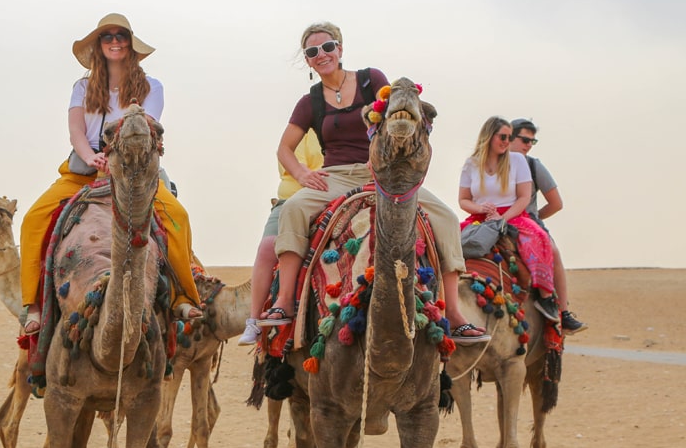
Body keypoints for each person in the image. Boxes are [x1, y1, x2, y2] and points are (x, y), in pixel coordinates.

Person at [256, 22, 487, 343]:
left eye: (327, 47)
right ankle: (284, 304)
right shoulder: (310, 103)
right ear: (308, 61)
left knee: (446, 217)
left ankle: (454, 312)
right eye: (312, 52)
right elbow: (284, 148)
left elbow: (394, 117)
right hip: (335, 176)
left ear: (340, 48)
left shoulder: (371, 81)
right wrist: (302, 174)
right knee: (294, 209)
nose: (321, 55)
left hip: (380, 172)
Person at [18, 13, 202, 335]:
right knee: (34, 218)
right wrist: (92, 157)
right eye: (108, 36)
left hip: (131, 174)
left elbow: (143, 127)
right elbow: (76, 131)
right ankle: (32, 304)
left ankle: (181, 297)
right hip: (85, 171)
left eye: (121, 36)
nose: (115, 41)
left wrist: (114, 158)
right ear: (99, 45)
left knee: (177, 217)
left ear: (130, 44)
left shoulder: (151, 87)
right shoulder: (82, 87)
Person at [458, 116, 559, 322]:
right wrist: (481, 208)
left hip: (512, 216)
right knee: (448, 244)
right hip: (480, 218)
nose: (506, 141)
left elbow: (523, 197)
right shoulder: (471, 164)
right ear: (489, 136)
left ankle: (546, 297)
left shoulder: (517, 160)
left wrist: (502, 219)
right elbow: (463, 200)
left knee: (538, 240)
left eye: (508, 137)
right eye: (502, 137)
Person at [238, 131, 323, 346]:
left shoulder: (356, 120)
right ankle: (255, 320)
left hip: (339, 193)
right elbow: (293, 165)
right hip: (293, 198)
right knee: (268, 247)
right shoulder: (302, 128)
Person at [508, 118, 586, 333]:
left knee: (553, 253)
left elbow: (556, 203)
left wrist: (534, 218)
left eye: (533, 142)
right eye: (525, 140)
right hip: (495, 220)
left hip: (527, 224)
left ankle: (563, 312)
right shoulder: (493, 163)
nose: (528, 145)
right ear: (509, 137)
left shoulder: (533, 165)